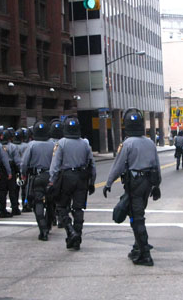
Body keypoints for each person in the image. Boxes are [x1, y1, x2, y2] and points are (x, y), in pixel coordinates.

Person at [103, 108, 162, 266]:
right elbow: (156, 165)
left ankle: (145, 254)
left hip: (134, 184)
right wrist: (157, 186)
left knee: (137, 219)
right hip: (148, 183)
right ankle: (138, 247)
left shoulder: (127, 144)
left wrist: (108, 183)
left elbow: (118, 167)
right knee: (139, 214)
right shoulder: (150, 142)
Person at [49, 116, 96, 251]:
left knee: (61, 207)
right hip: (81, 178)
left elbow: (55, 165)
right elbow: (92, 164)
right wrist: (92, 181)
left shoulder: (61, 143)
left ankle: (70, 231)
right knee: (78, 208)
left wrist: (52, 181)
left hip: (66, 178)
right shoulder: (85, 143)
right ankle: (77, 237)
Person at [21, 121, 55, 241]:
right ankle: (49, 224)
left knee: (38, 202)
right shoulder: (52, 144)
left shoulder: (32, 145)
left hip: (37, 176)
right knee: (51, 203)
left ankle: (43, 229)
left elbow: (24, 163)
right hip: (50, 176)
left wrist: (23, 174)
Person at [2, 128, 21, 216]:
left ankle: (2, 209)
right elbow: (17, 160)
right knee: (12, 190)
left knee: (3, 191)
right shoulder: (12, 146)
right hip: (11, 168)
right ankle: (15, 208)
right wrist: (20, 170)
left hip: (1, 169)